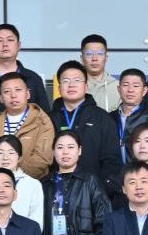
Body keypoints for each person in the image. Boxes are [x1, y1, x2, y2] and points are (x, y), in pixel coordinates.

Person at [52, 61, 122, 195]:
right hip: (56, 193)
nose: (71, 85)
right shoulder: (48, 119)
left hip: (92, 194)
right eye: (66, 81)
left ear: (86, 86)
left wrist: (97, 192)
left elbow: (112, 161)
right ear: (59, 87)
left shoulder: (102, 118)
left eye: (77, 80)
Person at [0, 72, 54, 180]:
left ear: (28, 94)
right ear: (1, 98)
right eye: (7, 91)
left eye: (18, 90)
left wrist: (16, 179)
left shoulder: (42, 121)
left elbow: (43, 157)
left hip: (31, 184)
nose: (13, 95)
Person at [111, 68, 148, 164]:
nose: (130, 90)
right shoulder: (109, 118)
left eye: (136, 86)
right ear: (119, 89)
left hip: (142, 172)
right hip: (113, 172)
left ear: (144, 91)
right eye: (125, 85)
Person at [0, 135, 44, 229]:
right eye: (0, 153)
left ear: (19, 157)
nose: (5, 157)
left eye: (11, 153)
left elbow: (37, 223)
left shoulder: (33, 185)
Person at [81, 34, 120, 112]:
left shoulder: (118, 87)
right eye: (89, 54)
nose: (94, 58)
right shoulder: (74, 86)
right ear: (82, 58)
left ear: (106, 58)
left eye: (100, 54)